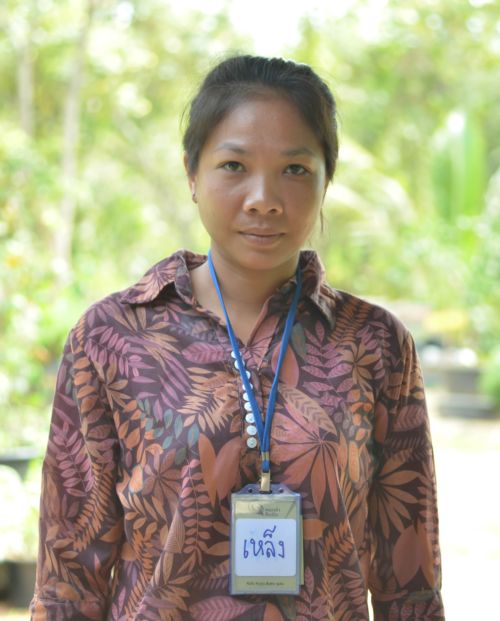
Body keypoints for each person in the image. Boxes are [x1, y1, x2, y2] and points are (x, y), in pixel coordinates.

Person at [31, 55, 445, 620]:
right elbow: (68, 577)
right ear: (191, 174)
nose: (264, 198)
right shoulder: (111, 338)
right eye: (233, 165)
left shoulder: (374, 343)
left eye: (295, 169)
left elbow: (410, 580)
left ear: (326, 181)